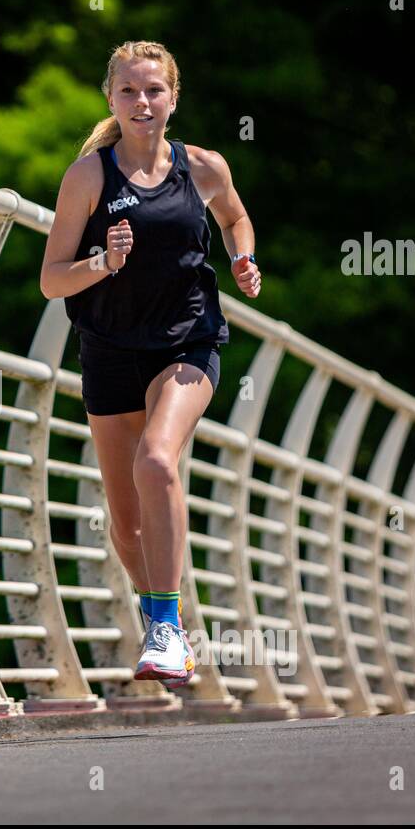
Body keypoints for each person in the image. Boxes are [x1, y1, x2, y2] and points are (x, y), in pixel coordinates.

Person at [40, 40, 261, 686]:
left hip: (186, 343)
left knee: (158, 460)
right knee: (125, 520)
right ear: (111, 98)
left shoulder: (204, 167)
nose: (143, 103)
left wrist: (243, 256)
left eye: (154, 91)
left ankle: (165, 628)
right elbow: (52, 281)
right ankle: (161, 614)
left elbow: (236, 217)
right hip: (109, 349)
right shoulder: (88, 177)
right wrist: (101, 264)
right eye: (130, 92)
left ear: (174, 98)